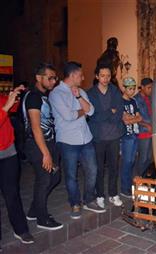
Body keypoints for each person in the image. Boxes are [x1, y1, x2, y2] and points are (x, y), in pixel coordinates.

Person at [49, 61, 106, 219]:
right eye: (80, 75)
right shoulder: (56, 94)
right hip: (68, 141)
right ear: (73, 75)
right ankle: (75, 203)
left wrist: (79, 97)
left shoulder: (81, 91)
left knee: (92, 170)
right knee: (71, 175)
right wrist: (82, 110)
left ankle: (89, 199)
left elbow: (92, 111)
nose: (83, 78)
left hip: (85, 138)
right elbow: (68, 116)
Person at [22, 63, 62, 230]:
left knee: (54, 177)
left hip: (47, 143)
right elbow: (35, 126)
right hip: (38, 145)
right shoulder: (33, 97)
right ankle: (42, 218)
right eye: (50, 78)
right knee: (45, 180)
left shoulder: (43, 96)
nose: (53, 81)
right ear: (39, 78)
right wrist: (45, 153)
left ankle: (33, 210)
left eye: (55, 78)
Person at [0, 85, 34, 245]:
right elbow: (4, 111)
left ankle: (20, 229)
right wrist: (6, 107)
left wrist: (15, 96)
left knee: (12, 193)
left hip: (8, 152)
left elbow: (11, 109)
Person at [87, 65, 125, 208]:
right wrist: (110, 111)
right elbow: (93, 116)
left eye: (108, 76)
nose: (105, 79)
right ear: (97, 76)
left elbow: (119, 111)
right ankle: (100, 195)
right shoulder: (90, 93)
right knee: (99, 168)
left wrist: (110, 115)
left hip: (114, 135)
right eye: (102, 75)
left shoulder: (115, 91)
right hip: (98, 136)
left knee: (114, 167)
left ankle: (113, 194)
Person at [119, 77, 142, 197]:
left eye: (133, 89)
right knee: (127, 162)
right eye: (129, 89)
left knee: (132, 161)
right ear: (123, 88)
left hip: (135, 134)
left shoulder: (133, 101)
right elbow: (125, 121)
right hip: (126, 136)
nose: (132, 91)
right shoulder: (120, 102)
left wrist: (131, 118)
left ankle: (129, 185)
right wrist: (133, 119)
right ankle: (124, 188)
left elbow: (140, 118)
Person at [134, 78, 153, 177]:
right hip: (143, 132)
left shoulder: (149, 98)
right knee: (143, 158)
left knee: (149, 158)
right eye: (149, 88)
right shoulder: (136, 99)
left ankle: (146, 179)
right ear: (142, 87)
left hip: (151, 132)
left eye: (151, 87)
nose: (151, 90)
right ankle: (140, 179)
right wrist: (146, 125)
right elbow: (134, 117)